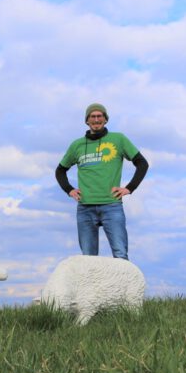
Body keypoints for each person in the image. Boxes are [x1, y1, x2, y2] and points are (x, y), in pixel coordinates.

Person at [56, 103, 148, 260]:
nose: (96, 119)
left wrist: (129, 188)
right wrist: (69, 190)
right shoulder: (77, 145)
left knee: (120, 255)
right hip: (85, 208)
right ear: (87, 120)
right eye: (92, 116)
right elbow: (60, 170)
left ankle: (123, 285)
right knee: (88, 260)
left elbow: (142, 163)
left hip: (112, 206)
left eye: (100, 116)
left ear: (105, 119)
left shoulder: (118, 139)